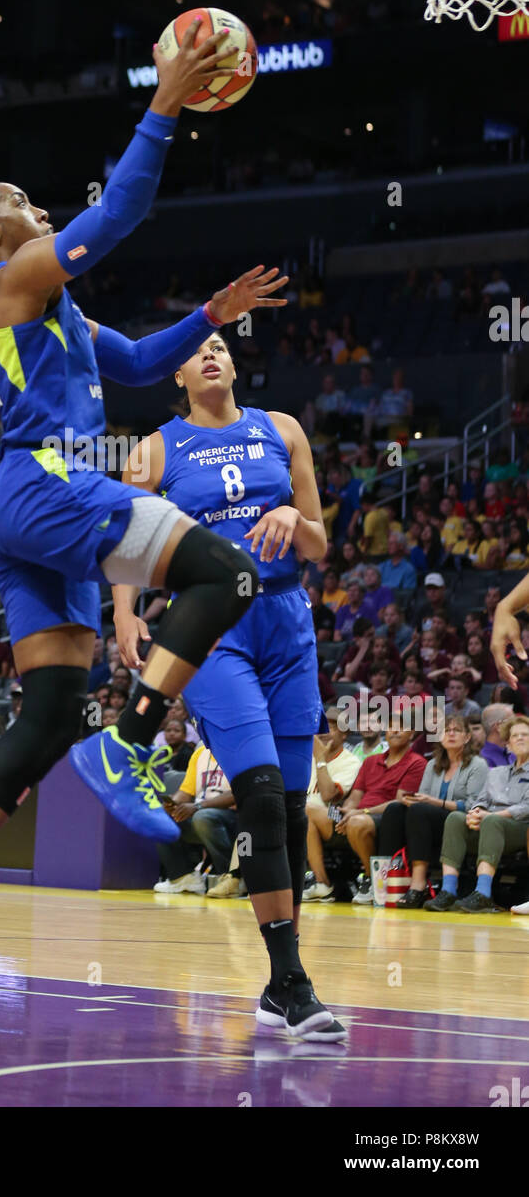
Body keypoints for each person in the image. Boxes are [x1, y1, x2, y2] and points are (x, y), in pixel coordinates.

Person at [0, 22, 286, 982]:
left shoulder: (46, 303)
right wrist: (166, 97)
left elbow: (131, 363)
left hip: (25, 507)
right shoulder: (12, 279)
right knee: (230, 572)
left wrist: (210, 317)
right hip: (49, 484)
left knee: (46, 715)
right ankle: (129, 743)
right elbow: (118, 215)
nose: (31, 200)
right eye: (14, 198)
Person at [113, 326, 344, 1039]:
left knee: (295, 800)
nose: (211, 352)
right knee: (263, 797)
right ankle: (293, 983)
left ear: (235, 361)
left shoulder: (282, 429)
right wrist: (125, 616)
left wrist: (291, 517)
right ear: (176, 375)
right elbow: (120, 539)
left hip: (287, 622)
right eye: (196, 349)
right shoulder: (152, 449)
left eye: (221, 344)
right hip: (213, 627)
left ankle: (281, 985)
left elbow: (320, 544)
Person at [378, 715, 488, 907]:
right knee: (395, 809)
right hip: (428, 820)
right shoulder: (432, 765)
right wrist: (411, 800)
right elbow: (423, 798)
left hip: (460, 822)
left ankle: (418, 885)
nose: (451, 734)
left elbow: (473, 805)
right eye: (446, 730)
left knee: (420, 811)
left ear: (467, 737)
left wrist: (433, 802)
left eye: (457, 730)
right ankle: (384, 880)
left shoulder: (478, 765)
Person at [426, 715, 529, 913]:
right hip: (489, 826)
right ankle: (448, 890)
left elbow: (525, 808)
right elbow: (481, 801)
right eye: (515, 736)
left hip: (520, 828)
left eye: (525, 735)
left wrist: (490, 816)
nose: (520, 739)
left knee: (491, 822)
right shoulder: (496, 773)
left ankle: (483, 893)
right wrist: (475, 813)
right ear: (508, 744)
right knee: (456, 818)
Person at [334, 722, 426, 903]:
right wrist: (348, 810)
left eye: (402, 726)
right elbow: (355, 795)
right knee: (311, 812)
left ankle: (371, 879)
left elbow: (400, 802)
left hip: (384, 816)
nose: (395, 730)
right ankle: (320, 882)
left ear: (412, 734)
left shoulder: (417, 763)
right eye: (391, 726)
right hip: (355, 813)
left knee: (357, 822)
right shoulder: (369, 761)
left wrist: (360, 812)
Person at [154, 745, 238, 897]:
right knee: (160, 817)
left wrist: (198, 806)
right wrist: (172, 803)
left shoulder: (239, 752)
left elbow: (237, 793)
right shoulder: (200, 753)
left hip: (232, 818)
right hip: (200, 813)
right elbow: (186, 792)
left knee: (203, 817)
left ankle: (231, 877)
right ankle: (183, 877)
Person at [303, 720, 362, 902]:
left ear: (344, 734)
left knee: (308, 808)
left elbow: (328, 795)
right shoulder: (306, 758)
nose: (324, 732)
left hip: (337, 814)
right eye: (320, 727)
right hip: (306, 814)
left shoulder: (351, 761)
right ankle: (242, 878)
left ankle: (321, 881)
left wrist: (321, 759)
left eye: (331, 727)